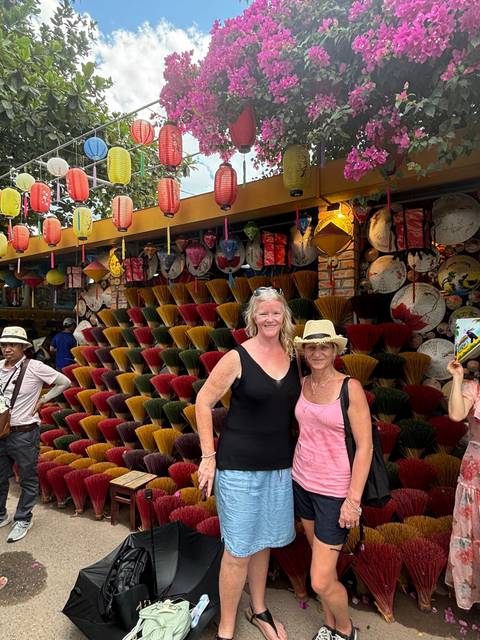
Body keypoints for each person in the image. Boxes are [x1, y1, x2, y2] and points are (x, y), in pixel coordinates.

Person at [196, 287, 300, 640]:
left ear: (284, 315)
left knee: (265, 540)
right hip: (238, 468)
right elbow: (202, 402)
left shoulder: (293, 355)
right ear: (252, 318)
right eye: (263, 313)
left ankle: (259, 609)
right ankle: (226, 628)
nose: (269, 319)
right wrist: (208, 457)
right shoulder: (237, 357)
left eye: (275, 312)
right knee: (239, 549)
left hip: (279, 466)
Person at [292, 320, 373, 640]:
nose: (317, 352)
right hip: (302, 483)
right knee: (319, 561)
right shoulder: (303, 382)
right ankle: (329, 625)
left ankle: (346, 629)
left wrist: (353, 500)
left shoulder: (349, 388)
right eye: (311, 346)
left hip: (334, 492)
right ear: (304, 351)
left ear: (335, 349)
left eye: (324, 345)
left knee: (320, 580)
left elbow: (365, 446)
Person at [0, 326, 71, 543]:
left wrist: (43, 400)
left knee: (28, 478)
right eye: (4, 345)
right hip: (1, 432)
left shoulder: (35, 367)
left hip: (24, 433)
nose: (7, 349)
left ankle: (23, 518)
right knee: (0, 477)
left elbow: (64, 381)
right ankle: (1, 514)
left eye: (12, 344)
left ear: (23, 347)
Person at [445, 358, 480, 610]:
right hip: (475, 474)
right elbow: (456, 414)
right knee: (473, 535)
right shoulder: (474, 388)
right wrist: (457, 378)